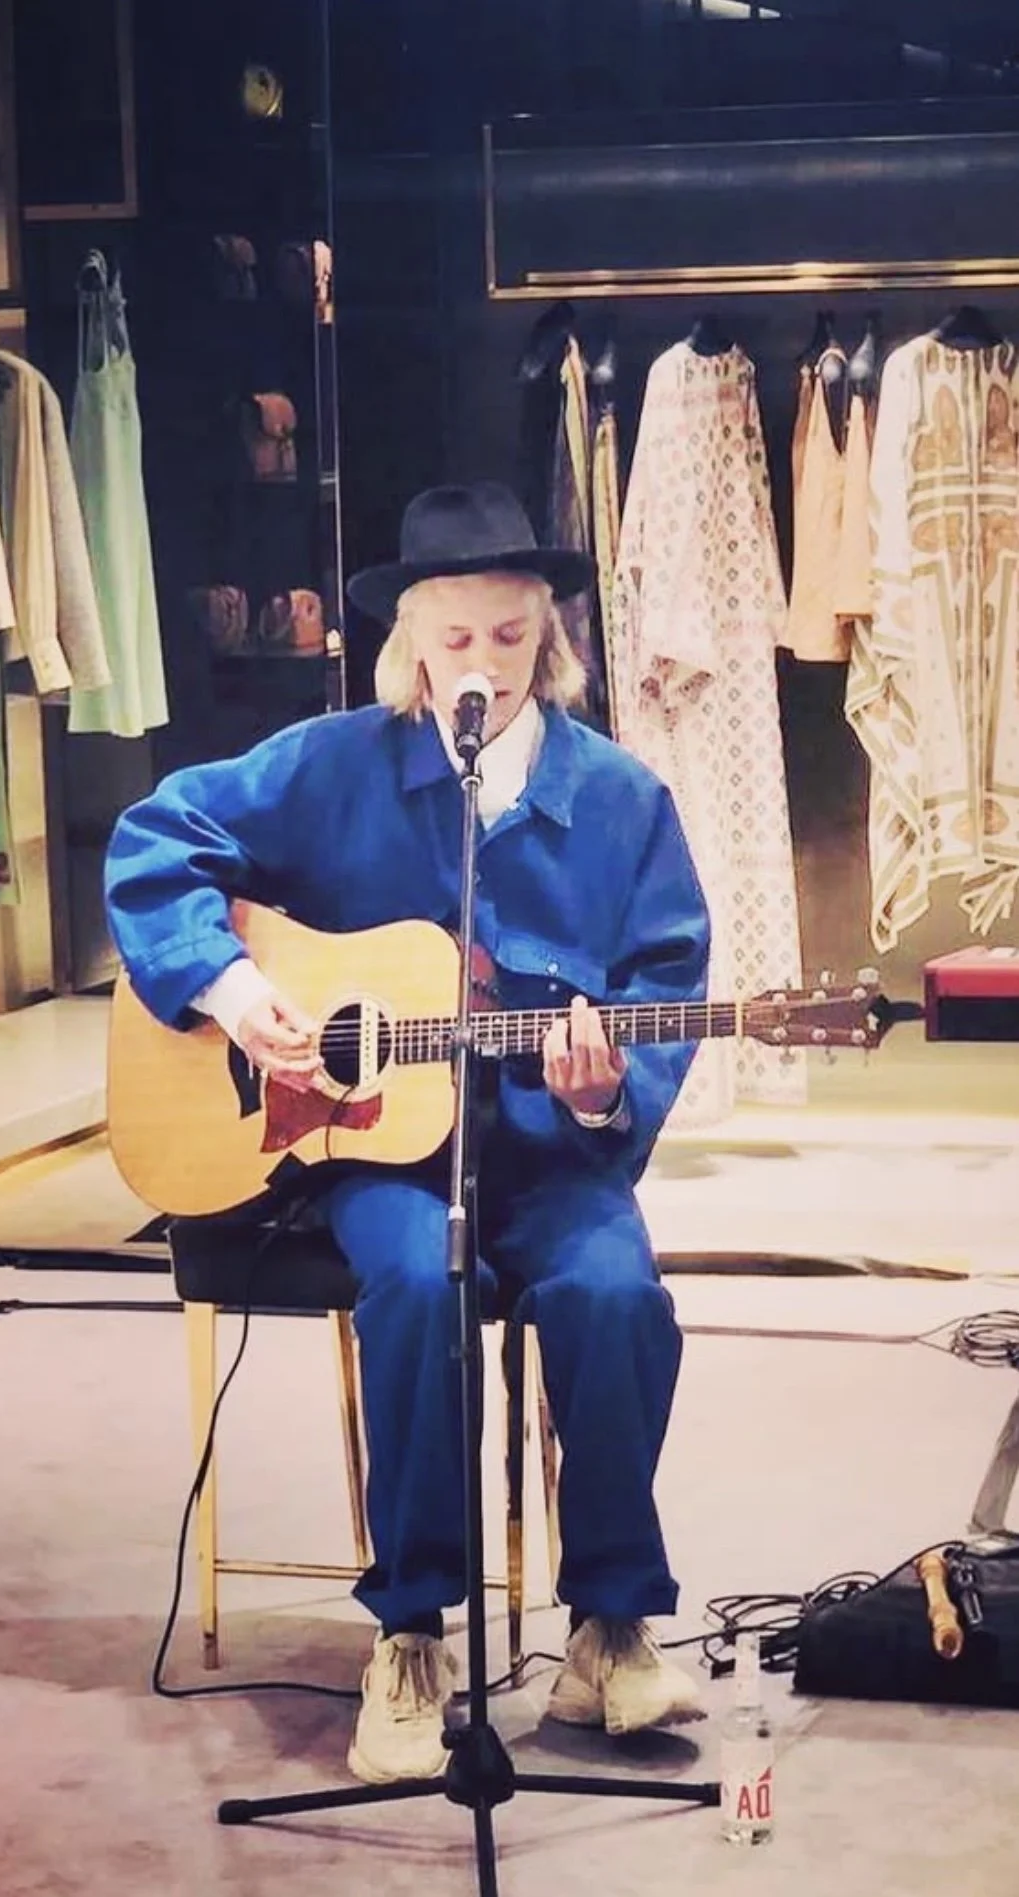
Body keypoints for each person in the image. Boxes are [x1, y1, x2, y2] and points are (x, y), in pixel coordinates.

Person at [105, 481, 711, 1786]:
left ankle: (611, 1624)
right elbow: (155, 841)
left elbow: (665, 981)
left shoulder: (622, 800)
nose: (481, 664)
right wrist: (232, 989)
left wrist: (601, 1090)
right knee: (419, 1288)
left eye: (509, 636)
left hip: (552, 1157)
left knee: (615, 1297)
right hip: (381, 1148)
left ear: (549, 639)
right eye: (454, 639)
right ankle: (413, 1633)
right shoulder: (332, 764)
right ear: (411, 646)